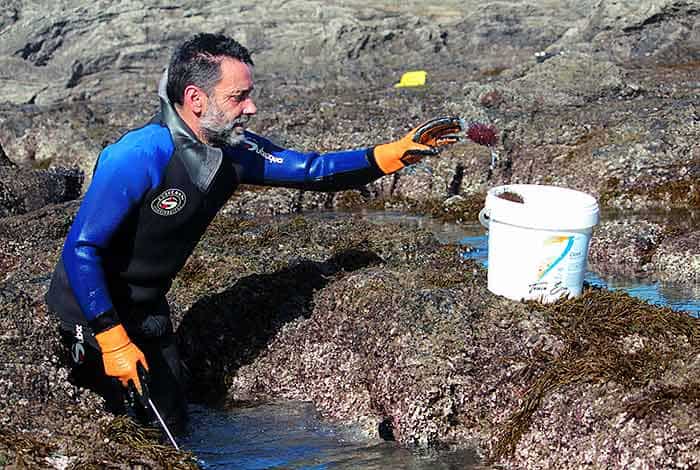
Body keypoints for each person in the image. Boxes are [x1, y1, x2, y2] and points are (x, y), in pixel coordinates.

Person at [45, 32, 462, 432]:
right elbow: (82, 249)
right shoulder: (137, 155)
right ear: (195, 99)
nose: (251, 108)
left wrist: (388, 155)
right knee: (124, 434)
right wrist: (112, 338)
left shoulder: (236, 152)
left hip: (148, 311)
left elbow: (312, 170)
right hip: (89, 312)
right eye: (238, 96)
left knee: (173, 426)